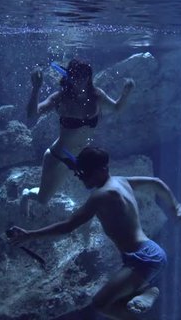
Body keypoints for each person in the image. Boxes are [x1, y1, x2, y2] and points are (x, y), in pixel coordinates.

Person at [9, 147, 181, 319]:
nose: (81, 177)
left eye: (86, 173)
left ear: (102, 170)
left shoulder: (101, 195)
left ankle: (147, 291)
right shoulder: (120, 181)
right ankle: (145, 290)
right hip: (147, 253)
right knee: (117, 302)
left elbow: (68, 226)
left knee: (101, 304)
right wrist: (175, 205)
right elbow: (156, 183)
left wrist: (30, 234)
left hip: (143, 258)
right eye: (80, 172)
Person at [23, 59, 135, 214]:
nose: (81, 80)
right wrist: (36, 88)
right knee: (43, 199)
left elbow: (116, 108)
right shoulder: (60, 98)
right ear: (69, 77)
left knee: (100, 190)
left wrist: (126, 93)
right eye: (77, 76)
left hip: (79, 159)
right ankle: (27, 194)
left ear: (89, 77)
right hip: (58, 157)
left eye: (84, 76)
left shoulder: (96, 95)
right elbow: (31, 114)